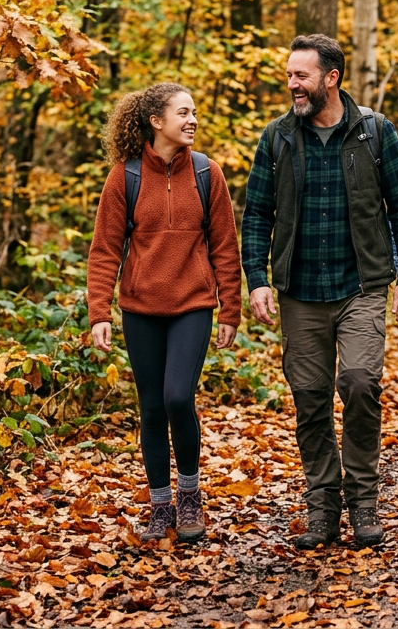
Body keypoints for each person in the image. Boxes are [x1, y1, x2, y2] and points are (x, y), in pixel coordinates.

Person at [241, 34, 398, 549]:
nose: (292, 84)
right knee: (310, 399)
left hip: (361, 284)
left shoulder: (374, 133)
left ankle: (363, 501)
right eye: (291, 74)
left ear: (331, 78)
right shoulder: (277, 138)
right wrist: (257, 280)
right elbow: (256, 214)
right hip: (299, 289)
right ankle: (322, 503)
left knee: (362, 383)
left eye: (302, 75)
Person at [86, 83, 242, 544]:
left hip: (192, 304)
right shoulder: (125, 176)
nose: (192, 120)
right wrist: (100, 312)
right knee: (152, 407)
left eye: (194, 112)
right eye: (183, 112)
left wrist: (230, 309)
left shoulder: (207, 173)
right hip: (140, 308)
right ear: (156, 121)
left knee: (178, 398)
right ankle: (159, 504)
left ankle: (190, 495)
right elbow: (105, 250)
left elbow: (225, 248)